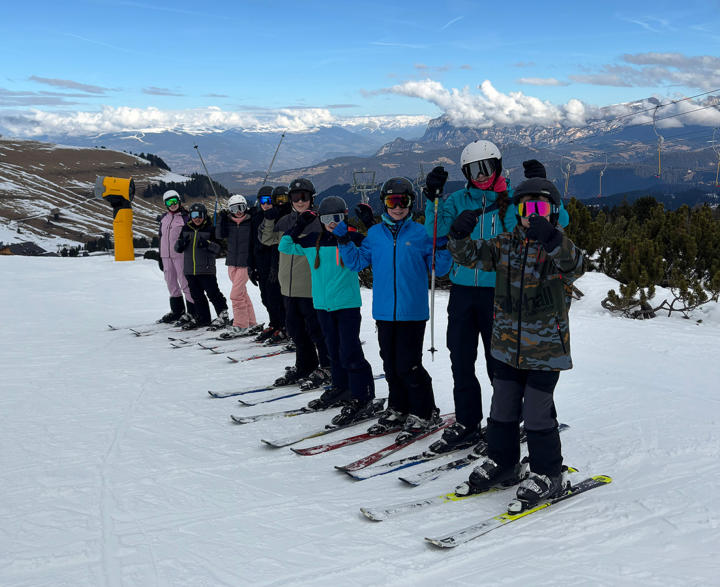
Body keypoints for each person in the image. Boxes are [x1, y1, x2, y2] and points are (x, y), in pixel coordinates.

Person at [447, 176, 584, 509]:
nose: (532, 214)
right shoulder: (505, 244)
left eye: (540, 207)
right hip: (507, 346)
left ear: (553, 212)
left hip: (545, 349)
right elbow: (469, 256)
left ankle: (548, 473)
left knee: (536, 413)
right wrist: (459, 235)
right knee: (502, 408)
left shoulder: (557, 247)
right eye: (525, 207)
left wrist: (551, 238)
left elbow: (577, 265)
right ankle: (503, 462)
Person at [423, 144, 570, 454]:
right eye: (473, 170)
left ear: (498, 166)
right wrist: (431, 199)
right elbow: (434, 233)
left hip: (501, 292)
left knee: (501, 364)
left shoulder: (515, 199)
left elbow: (561, 221)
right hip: (463, 290)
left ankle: (510, 421)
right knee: (461, 358)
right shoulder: (458, 200)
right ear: (465, 173)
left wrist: (543, 188)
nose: (481, 176)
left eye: (486, 167)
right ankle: (467, 421)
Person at [338, 177, 452, 443]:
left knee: (408, 365)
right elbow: (356, 263)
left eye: (403, 201)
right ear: (384, 204)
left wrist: (442, 244)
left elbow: (440, 268)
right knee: (390, 365)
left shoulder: (421, 233)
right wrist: (344, 241)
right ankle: (399, 407)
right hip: (384, 311)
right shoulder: (375, 234)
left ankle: (424, 411)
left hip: (412, 311)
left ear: (411, 203)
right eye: (392, 201)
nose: (398, 207)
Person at [279, 196, 377, 421]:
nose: (332, 223)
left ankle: (363, 396)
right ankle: (342, 387)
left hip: (347, 305)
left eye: (337, 217)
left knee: (350, 351)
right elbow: (285, 246)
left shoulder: (352, 238)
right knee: (332, 350)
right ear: (319, 219)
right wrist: (299, 225)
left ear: (345, 216)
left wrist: (369, 224)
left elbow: (375, 246)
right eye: (326, 218)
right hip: (323, 305)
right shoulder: (312, 240)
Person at [260, 178, 331, 388]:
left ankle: (327, 366)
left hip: (310, 287)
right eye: (295, 197)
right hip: (288, 287)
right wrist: (269, 219)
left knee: (316, 331)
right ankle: (305, 365)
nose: (300, 201)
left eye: (304, 197)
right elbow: (266, 239)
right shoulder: (284, 221)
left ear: (311, 198)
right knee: (296, 331)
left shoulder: (319, 222)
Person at [175, 202, 229, 330]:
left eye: (200, 215)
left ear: (204, 215)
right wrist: (181, 244)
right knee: (197, 296)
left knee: (213, 293)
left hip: (206, 269)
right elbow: (177, 248)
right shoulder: (186, 228)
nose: (197, 218)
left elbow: (220, 249)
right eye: (194, 215)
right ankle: (203, 318)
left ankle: (223, 315)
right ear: (190, 216)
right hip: (190, 270)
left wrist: (208, 244)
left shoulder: (210, 229)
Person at [216, 194, 262, 337]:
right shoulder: (228, 222)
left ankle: (241, 325)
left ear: (246, 207)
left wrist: (256, 214)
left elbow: (258, 234)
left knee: (235, 295)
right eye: (234, 209)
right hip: (231, 263)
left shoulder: (250, 221)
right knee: (242, 294)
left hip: (245, 263)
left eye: (241, 207)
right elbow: (219, 235)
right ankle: (251, 322)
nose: (238, 212)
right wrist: (221, 219)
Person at [253, 186, 289, 345]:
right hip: (263, 264)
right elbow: (253, 243)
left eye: (270, 200)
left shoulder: (281, 217)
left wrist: (275, 265)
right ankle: (276, 324)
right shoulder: (258, 218)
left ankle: (285, 326)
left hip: (277, 263)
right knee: (267, 298)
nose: (266, 204)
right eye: (263, 200)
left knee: (279, 298)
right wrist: (251, 265)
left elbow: (276, 245)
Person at [156, 189, 194, 325]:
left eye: (174, 201)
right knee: (171, 283)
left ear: (179, 201)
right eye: (169, 202)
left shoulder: (185, 218)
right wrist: (160, 256)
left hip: (180, 256)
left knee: (185, 283)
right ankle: (177, 311)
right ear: (165, 204)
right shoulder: (164, 218)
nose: (172, 205)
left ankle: (192, 312)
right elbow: (161, 237)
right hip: (166, 256)